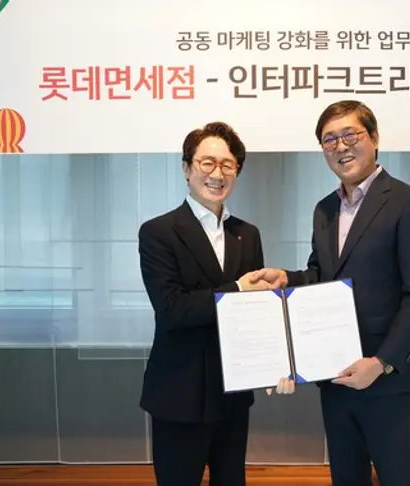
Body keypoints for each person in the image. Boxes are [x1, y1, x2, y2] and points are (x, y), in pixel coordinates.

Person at [259, 100, 410, 486]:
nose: (341, 147)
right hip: (335, 370)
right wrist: (287, 278)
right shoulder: (324, 209)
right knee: (346, 474)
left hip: (386, 375)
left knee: (395, 475)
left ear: (374, 138)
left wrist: (381, 362)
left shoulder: (409, 203)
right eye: (329, 140)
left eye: (350, 135)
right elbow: (322, 276)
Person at [138, 121, 275, 486]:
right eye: (207, 163)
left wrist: (271, 364)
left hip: (232, 391)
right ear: (187, 168)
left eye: (228, 165)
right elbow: (172, 310)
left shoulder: (247, 234)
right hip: (180, 392)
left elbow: (255, 314)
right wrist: (237, 289)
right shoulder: (158, 232)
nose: (218, 174)